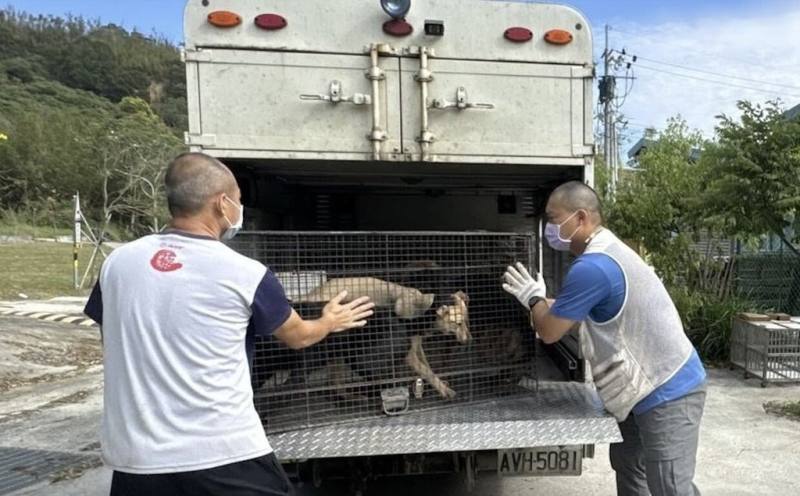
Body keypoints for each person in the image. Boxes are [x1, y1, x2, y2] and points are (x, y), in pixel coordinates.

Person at [84, 152, 375, 496]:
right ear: (222, 204)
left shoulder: (118, 262)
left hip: (136, 460)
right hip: (223, 453)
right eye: (238, 200)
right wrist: (329, 320)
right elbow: (297, 337)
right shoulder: (244, 273)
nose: (239, 209)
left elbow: (113, 336)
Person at [502, 181, 706, 496]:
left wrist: (534, 300)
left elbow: (550, 330)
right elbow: (569, 313)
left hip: (668, 389)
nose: (550, 229)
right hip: (638, 390)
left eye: (554, 220)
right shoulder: (605, 252)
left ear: (581, 218)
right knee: (629, 468)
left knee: (669, 486)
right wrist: (542, 301)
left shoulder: (594, 266)